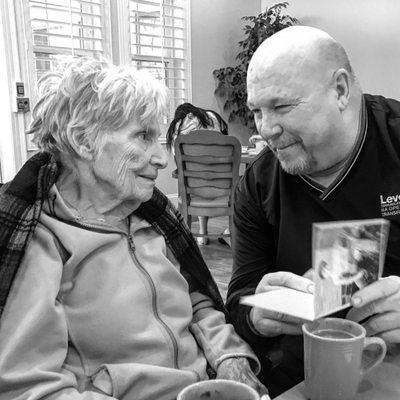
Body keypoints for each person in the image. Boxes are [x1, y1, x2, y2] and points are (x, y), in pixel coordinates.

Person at [0, 58, 268, 400]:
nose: (161, 158)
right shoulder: (43, 242)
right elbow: (30, 387)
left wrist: (230, 356)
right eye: (143, 136)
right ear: (83, 141)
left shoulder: (153, 220)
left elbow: (199, 303)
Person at [226, 25, 400, 397]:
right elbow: (239, 300)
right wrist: (256, 316)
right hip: (305, 370)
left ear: (339, 90)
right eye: (256, 111)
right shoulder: (258, 184)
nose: (266, 129)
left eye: (282, 106)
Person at [166, 103, 229, 245]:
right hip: (221, 183)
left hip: (194, 185)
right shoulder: (213, 118)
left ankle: (202, 234)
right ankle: (230, 229)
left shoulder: (179, 126)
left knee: (198, 181)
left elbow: (178, 159)